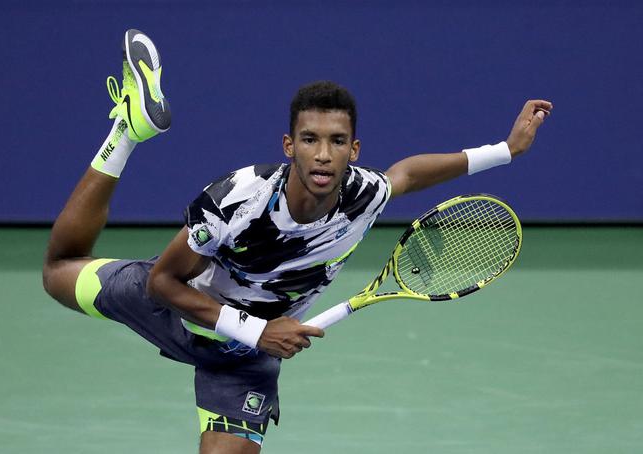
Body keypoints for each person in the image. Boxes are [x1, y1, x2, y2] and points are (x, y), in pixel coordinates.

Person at [42, 29, 552, 454]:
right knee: (57, 270)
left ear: (354, 149)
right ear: (290, 146)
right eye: (310, 140)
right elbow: (162, 282)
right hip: (180, 311)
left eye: (336, 142)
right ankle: (129, 130)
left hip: (241, 364)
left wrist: (504, 150)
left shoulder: (364, 194)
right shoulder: (237, 200)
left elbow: (408, 175)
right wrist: (256, 330)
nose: (323, 155)